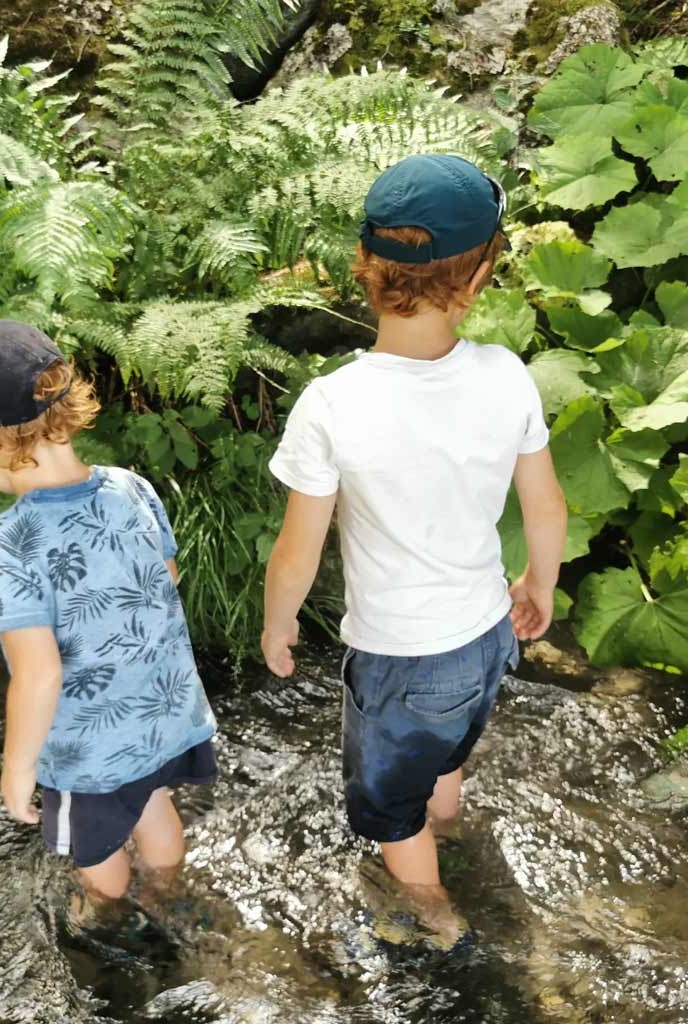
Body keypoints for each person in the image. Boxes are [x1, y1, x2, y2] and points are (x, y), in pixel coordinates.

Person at [262, 153, 567, 942]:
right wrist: (540, 582)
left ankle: (436, 917)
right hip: (487, 636)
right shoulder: (506, 375)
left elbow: (299, 549)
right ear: (478, 277)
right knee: (445, 754)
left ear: (365, 266)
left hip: (400, 656)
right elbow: (546, 505)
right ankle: (453, 827)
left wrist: (278, 622)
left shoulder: (333, 403)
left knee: (388, 810)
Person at [0, 318, 217, 907]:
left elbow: (39, 675)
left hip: (87, 751)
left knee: (93, 850)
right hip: (165, 712)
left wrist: (17, 771)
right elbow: (164, 582)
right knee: (152, 802)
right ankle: (169, 893)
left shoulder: (1, 545)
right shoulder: (131, 486)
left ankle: (108, 909)